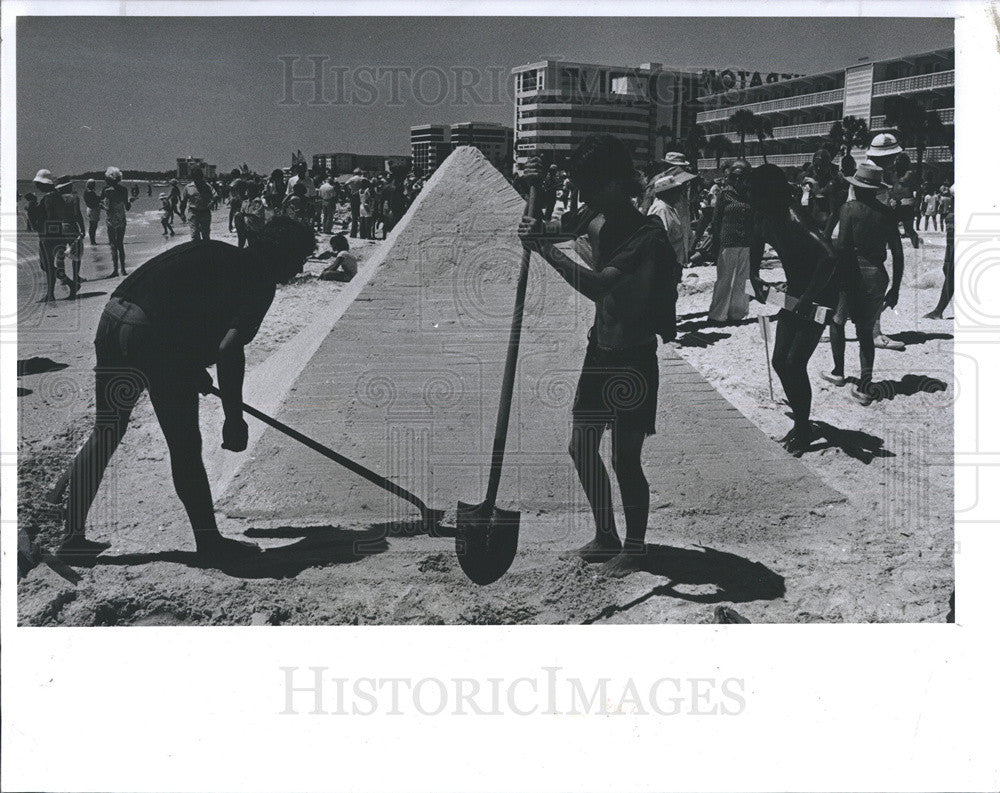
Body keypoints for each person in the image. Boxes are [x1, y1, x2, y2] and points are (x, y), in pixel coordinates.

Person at [58, 215, 316, 562]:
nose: (298, 268)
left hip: (114, 315)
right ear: (280, 255)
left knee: (106, 431)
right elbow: (228, 351)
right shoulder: (259, 281)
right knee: (185, 445)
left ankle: (71, 538)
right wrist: (234, 419)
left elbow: (186, 308)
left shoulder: (216, 252)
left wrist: (189, 366)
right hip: (149, 332)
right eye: (298, 259)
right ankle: (209, 543)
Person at [518, 134, 678, 577]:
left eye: (588, 184)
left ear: (611, 182)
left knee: (625, 459)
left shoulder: (647, 236)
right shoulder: (597, 214)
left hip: (633, 359)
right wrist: (531, 193)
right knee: (581, 445)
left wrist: (544, 248)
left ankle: (636, 545)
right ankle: (606, 533)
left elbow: (598, 285)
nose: (582, 193)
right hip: (600, 349)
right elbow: (547, 229)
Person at [748, 165, 839, 454]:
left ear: (769, 193)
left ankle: (802, 427)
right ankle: (803, 423)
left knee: (795, 362)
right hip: (796, 293)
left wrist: (808, 297)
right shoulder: (765, 216)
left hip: (820, 293)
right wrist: (752, 273)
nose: (751, 198)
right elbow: (755, 241)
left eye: (756, 193)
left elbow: (829, 258)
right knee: (779, 361)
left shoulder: (793, 216)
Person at [825, 161, 904, 406]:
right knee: (866, 332)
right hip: (878, 275)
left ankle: (838, 372)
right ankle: (866, 386)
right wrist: (896, 289)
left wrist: (834, 278)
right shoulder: (888, 213)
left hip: (852, 272)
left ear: (856, 187)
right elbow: (898, 254)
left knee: (837, 322)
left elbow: (843, 247)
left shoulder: (849, 209)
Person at [707, 159, 755, 323]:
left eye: (741, 178)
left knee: (742, 280)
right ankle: (717, 315)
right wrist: (715, 242)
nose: (737, 181)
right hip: (727, 241)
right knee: (725, 280)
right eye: (734, 177)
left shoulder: (750, 195)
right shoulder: (724, 194)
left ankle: (737, 313)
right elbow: (716, 220)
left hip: (745, 242)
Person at [646, 169, 697, 267]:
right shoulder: (661, 209)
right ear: (668, 193)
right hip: (665, 265)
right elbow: (660, 241)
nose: (679, 194)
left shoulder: (671, 209)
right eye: (676, 191)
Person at [50, 176, 86, 295]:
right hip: (70, 226)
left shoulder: (55, 198)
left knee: (60, 254)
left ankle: (63, 278)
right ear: (68, 186)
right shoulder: (74, 198)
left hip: (58, 227)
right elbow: (77, 214)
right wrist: (83, 228)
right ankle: (75, 276)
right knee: (76, 253)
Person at [925, 184, 955, 320]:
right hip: (952, 229)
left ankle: (939, 310)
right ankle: (939, 310)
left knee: (951, 271)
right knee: (947, 268)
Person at [180, 166, 214, 241]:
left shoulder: (207, 186)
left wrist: (212, 202)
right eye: (196, 178)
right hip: (193, 212)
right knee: (194, 235)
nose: (198, 179)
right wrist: (182, 213)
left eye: (199, 177)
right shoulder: (188, 187)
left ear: (201, 177)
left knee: (206, 235)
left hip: (205, 212)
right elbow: (183, 202)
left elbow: (215, 195)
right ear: (193, 178)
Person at [381, 164, 408, 239]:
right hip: (395, 208)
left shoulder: (387, 187)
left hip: (388, 207)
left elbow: (382, 200)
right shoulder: (397, 188)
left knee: (387, 223)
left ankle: (384, 236)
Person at [83, 179, 102, 244]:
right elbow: (96, 200)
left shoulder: (86, 192)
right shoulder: (91, 192)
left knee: (92, 226)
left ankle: (92, 241)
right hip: (93, 210)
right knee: (93, 226)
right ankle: (92, 241)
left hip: (89, 209)